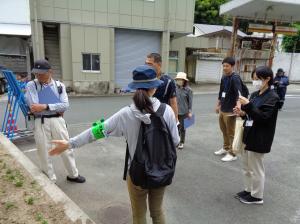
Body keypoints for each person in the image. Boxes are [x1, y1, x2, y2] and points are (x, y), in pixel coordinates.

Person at [49, 65, 180, 224]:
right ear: (154, 87)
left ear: (134, 88)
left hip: (138, 173)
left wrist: (70, 144)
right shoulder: (167, 111)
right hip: (162, 170)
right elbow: (175, 141)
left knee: (139, 215)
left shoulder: (126, 114)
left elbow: (97, 131)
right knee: (157, 212)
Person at [25, 59, 85, 183]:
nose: (38, 76)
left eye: (41, 73)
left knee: (66, 147)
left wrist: (45, 106)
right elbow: (34, 107)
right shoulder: (32, 85)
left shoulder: (59, 86)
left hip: (58, 120)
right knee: (43, 151)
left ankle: (73, 174)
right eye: (36, 73)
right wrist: (54, 107)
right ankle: (49, 178)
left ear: (50, 71)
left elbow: (65, 105)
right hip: (40, 121)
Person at [233, 66, 279, 204]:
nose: (255, 81)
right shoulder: (254, 95)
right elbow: (250, 115)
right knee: (246, 166)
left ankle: (257, 196)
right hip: (248, 134)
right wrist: (242, 113)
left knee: (256, 168)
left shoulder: (272, 97)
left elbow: (263, 117)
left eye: (257, 79)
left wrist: (247, 106)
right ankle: (248, 190)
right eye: (253, 79)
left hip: (260, 137)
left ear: (267, 79)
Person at [214, 57, 243, 162]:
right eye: (223, 66)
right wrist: (218, 105)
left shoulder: (235, 78)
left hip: (231, 110)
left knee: (231, 132)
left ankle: (232, 153)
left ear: (232, 66)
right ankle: (226, 148)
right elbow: (221, 92)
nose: (225, 68)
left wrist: (238, 106)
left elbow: (239, 93)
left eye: (227, 66)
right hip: (223, 108)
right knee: (224, 130)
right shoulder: (224, 77)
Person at [145, 53, 179, 121]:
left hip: (163, 118)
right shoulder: (144, 79)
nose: (147, 66)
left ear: (159, 64)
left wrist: (176, 120)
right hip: (146, 117)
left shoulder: (168, 81)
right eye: (146, 63)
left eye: (150, 64)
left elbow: (173, 103)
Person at [175, 72, 193, 149]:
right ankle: (176, 141)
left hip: (184, 112)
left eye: (180, 79)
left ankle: (181, 142)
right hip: (175, 111)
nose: (179, 81)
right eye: (178, 79)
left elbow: (190, 101)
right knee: (176, 127)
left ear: (184, 80)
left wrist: (189, 112)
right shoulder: (175, 88)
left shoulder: (188, 90)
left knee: (183, 128)